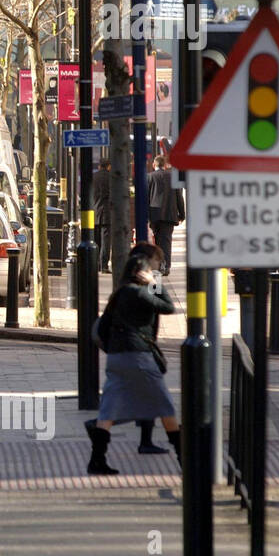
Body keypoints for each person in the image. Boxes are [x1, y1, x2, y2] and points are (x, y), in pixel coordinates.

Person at [84, 242, 180, 475]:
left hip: (116, 358)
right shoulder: (138, 292)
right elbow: (168, 308)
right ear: (147, 265)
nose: (159, 267)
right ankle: (184, 458)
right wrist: (154, 282)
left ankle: (97, 460)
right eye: (157, 263)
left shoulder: (121, 291)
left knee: (108, 410)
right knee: (165, 406)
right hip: (139, 357)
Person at [147, 156, 184, 275]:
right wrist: (182, 214)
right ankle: (166, 266)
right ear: (165, 165)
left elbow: (145, 196)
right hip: (169, 214)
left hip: (154, 215)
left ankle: (158, 266)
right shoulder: (173, 178)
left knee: (157, 240)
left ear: (154, 165)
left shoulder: (150, 177)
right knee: (166, 241)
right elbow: (179, 197)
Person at [92, 159, 112, 273]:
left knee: (96, 240)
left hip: (94, 213)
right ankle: (104, 265)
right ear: (108, 166)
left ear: (99, 166)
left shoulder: (93, 177)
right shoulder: (111, 177)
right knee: (106, 240)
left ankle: (96, 264)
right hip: (107, 213)